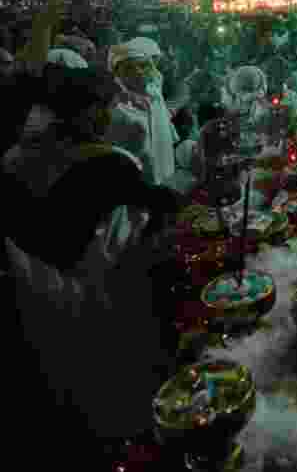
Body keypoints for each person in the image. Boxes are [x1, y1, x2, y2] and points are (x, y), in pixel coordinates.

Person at [3, 66, 180, 464]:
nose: (108, 116)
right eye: (102, 107)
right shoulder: (109, 164)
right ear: (80, 112)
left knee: (64, 380)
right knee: (114, 377)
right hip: (96, 293)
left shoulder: (13, 159)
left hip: (33, 295)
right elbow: (152, 215)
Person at [106, 37, 179, 186]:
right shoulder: (115, 106)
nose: (138, 71)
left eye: (143, 65)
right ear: (117, 73)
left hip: (165, 181)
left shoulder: (156, 96)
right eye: (129, 68)